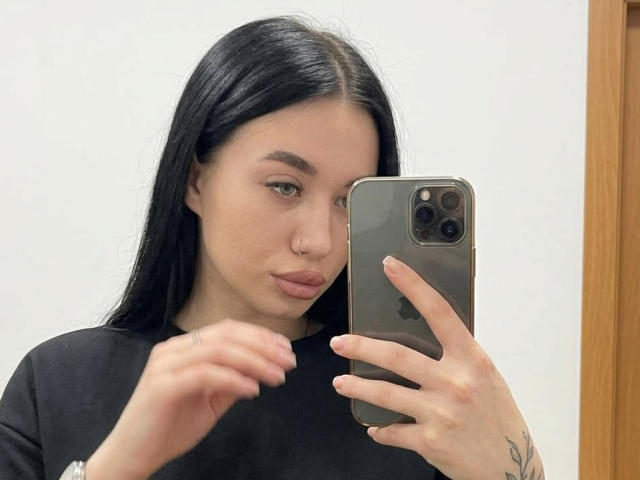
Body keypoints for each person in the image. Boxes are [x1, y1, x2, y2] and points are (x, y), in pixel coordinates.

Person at [0, 16, 545, 480]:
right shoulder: (58, 384)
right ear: (195, 181)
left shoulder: (411, 400)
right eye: (285, 187)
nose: (319, 242)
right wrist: (119, 463)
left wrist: (515, 467)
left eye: (348, 200)